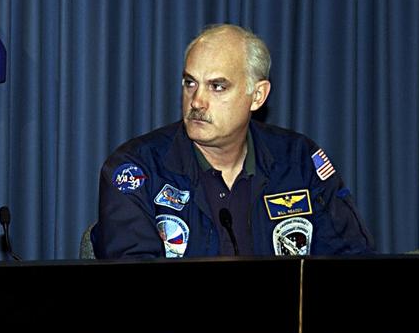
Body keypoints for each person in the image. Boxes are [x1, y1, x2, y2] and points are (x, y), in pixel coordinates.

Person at [92, 23, 374, 259]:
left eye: (217, 86)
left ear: (258, 96)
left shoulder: (299, 161)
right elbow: (128, 292)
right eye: (190, 83)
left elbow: (350, 266)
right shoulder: (136, 169)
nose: (197, 101)